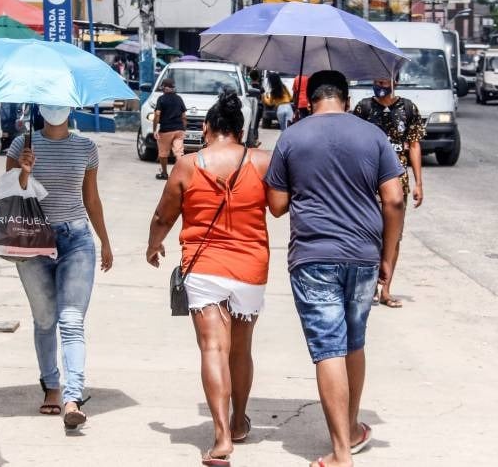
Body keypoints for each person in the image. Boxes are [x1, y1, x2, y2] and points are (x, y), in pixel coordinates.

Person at [265, 71, 405, 467]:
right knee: (354, 342)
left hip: (313, 255)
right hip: (363, 254)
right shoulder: (372, 135)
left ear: (309, 99)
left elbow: (275, 206)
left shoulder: (293, 136)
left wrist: (300, 177)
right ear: (345, 98)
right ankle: (355, 426)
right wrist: (388, 257)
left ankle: (342, 452)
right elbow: (393, 200)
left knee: (329, 347)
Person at [147, 90, 271, 466]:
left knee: (213, 349)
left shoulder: (187, 165)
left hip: (204, 266)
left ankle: (220, 440)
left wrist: (153, 246)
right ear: (241, 130)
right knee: (241, 349)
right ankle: (238, 421)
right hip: (251, 267)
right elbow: (281, 206)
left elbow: (163, 216)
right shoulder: (263, 161)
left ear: (207, 128)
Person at [6, 104, 114, 429]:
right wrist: (23, 171)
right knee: (44, 320)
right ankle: (51, 386)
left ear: (70, 107)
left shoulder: (86, 147)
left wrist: (105, 241)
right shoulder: (21, 145)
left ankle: (72, 398)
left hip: (76, 239)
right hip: (32, 242)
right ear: (41, 107)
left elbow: (90, 198)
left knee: (71, 320)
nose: (55, 109)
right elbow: (7, 198)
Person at [354, 75, 425, 308]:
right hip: (367, 182)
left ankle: (386, 289)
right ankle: (369, 287)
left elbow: (414, 145)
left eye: (384, 82)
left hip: (398, 182)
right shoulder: (363, 109)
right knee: (369, 234)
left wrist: (419, 183)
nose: (380, 86)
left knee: (393, 238)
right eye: (377, 81)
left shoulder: (408, 108)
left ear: (394, 83)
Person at [153, 78, 188, 180]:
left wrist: (155, 129)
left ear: (164, 87)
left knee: (163, 153)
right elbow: (184, 116)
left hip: (165, 130)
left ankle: (164, 173)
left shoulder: (161, 99)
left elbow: (157, 115)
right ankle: (180, 175)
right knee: (179, 152)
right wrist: (183, 129)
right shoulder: (179, 99)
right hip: (179, 130)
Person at [248, 69, 264, 146]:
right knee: (256, 124)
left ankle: (252, 139)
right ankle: (255, 139)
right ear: (258, 77)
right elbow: (263, 99)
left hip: (249, 107)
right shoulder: (261, 88)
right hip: (258, 108)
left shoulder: (248, 87)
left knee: (250, 123)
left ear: (250, 77)